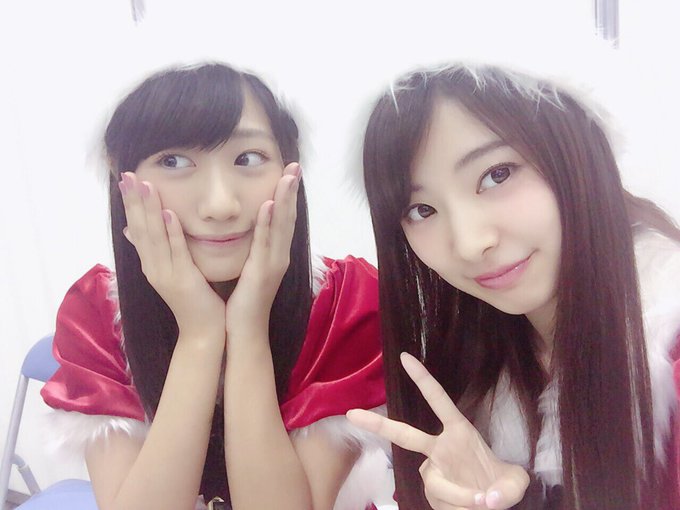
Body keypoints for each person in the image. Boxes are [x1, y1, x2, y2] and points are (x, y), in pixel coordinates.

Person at [41, 63, 388, 510]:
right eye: (173, 161)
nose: (220, 205)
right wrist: (200, 334)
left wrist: (248, 328)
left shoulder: (346, 301)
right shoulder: (97, 312)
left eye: (248, 158)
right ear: (120, 176)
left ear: (291, 167)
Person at [348, 62, 680, 509]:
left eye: (497, 174)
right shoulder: (471, 366)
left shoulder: (666, 355)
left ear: (576, 149)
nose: (470, 244)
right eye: (421, 210)